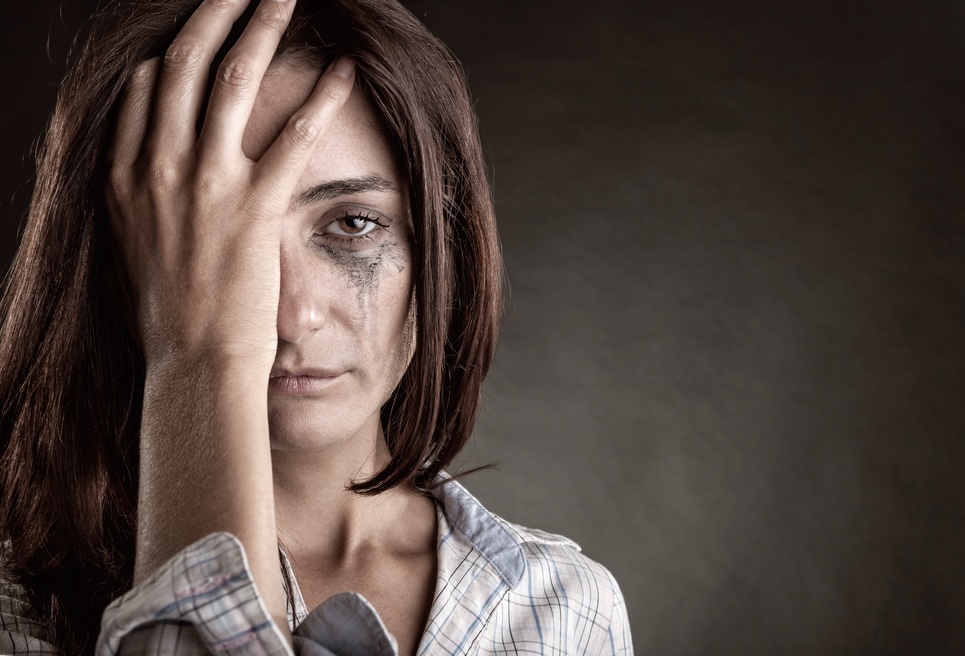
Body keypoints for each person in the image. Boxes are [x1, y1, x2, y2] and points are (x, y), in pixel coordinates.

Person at [0, 0, 632, 653]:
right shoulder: (14, 609)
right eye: (220, 239)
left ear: (441, 249)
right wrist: (200, 355)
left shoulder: (566, 609)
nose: (291, 316)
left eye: (353, 224)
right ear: (124, 262)